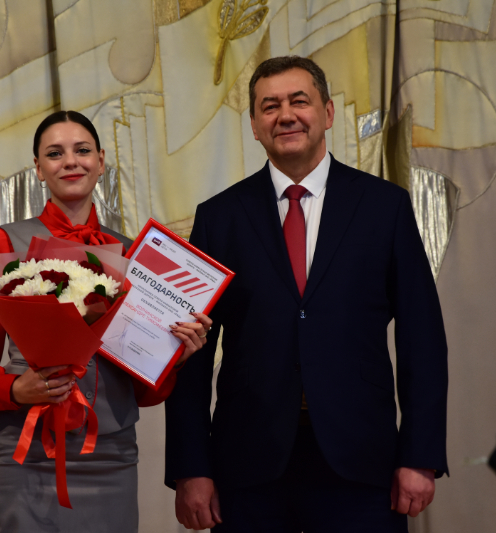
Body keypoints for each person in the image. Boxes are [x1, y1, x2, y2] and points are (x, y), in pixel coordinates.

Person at [164, 56, 448, 532]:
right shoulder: (219, 217)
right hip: (247, 464)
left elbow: (423, 340)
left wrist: (420, 455)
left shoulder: (385, 207)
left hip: (362, 460)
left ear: (328, 113)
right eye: (269, 106)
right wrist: (191, 467)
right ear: (254, 125)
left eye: (300, 101)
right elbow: (189, 349)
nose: (286, 115)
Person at [0, 110, 212, 532]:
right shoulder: (5, 243)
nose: (70, 161)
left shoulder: (134, 256)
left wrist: (174, 357)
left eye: (82, 150)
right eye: (55, 153)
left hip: (112, 462)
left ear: (101, 161)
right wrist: (15, 388)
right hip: (24, 457)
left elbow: (142, 393)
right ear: (38, 168)